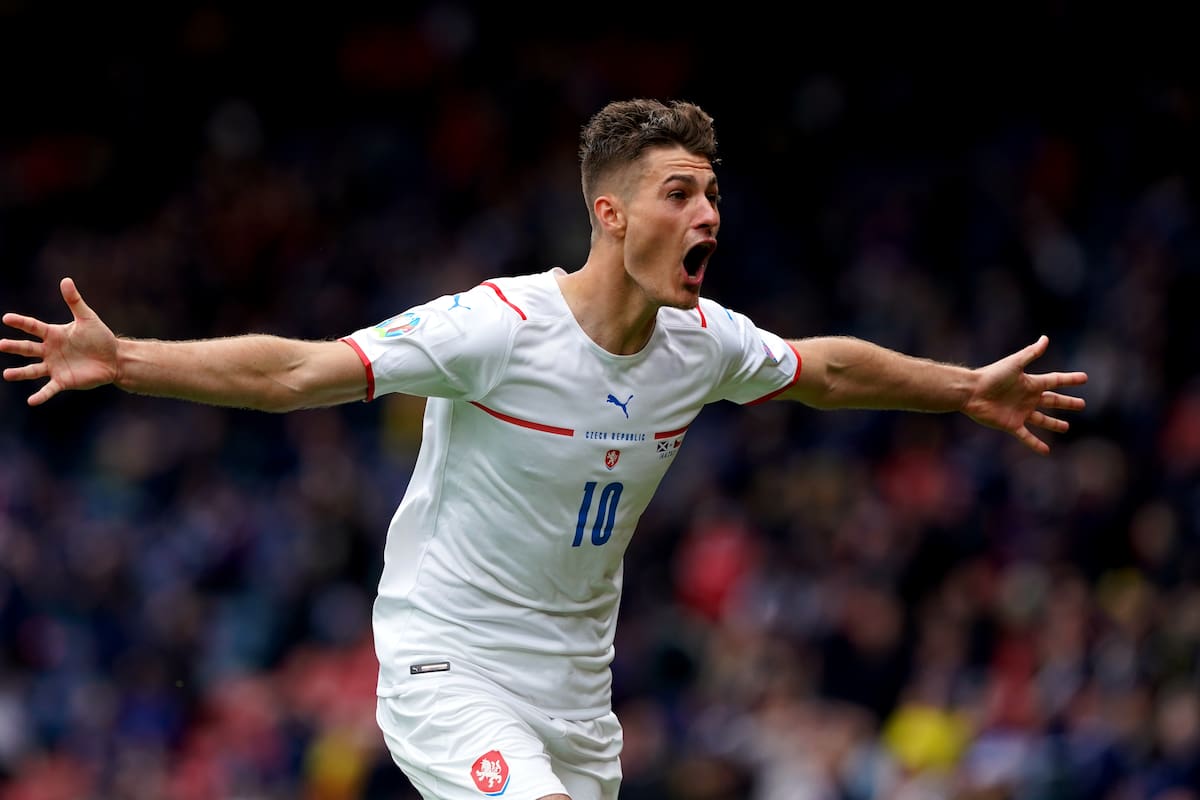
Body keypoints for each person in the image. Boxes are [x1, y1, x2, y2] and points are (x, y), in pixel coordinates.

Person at [1, 98, 1087, 800]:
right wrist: (130, 357)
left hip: (576, 695)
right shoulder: (496, 327)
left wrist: (964, 389)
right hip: (448, 665)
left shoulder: (702, 344)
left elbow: (826, 368)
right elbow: (297, 372)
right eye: (680, 192)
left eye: (714, 192)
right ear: (611, 215)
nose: (708, 210)